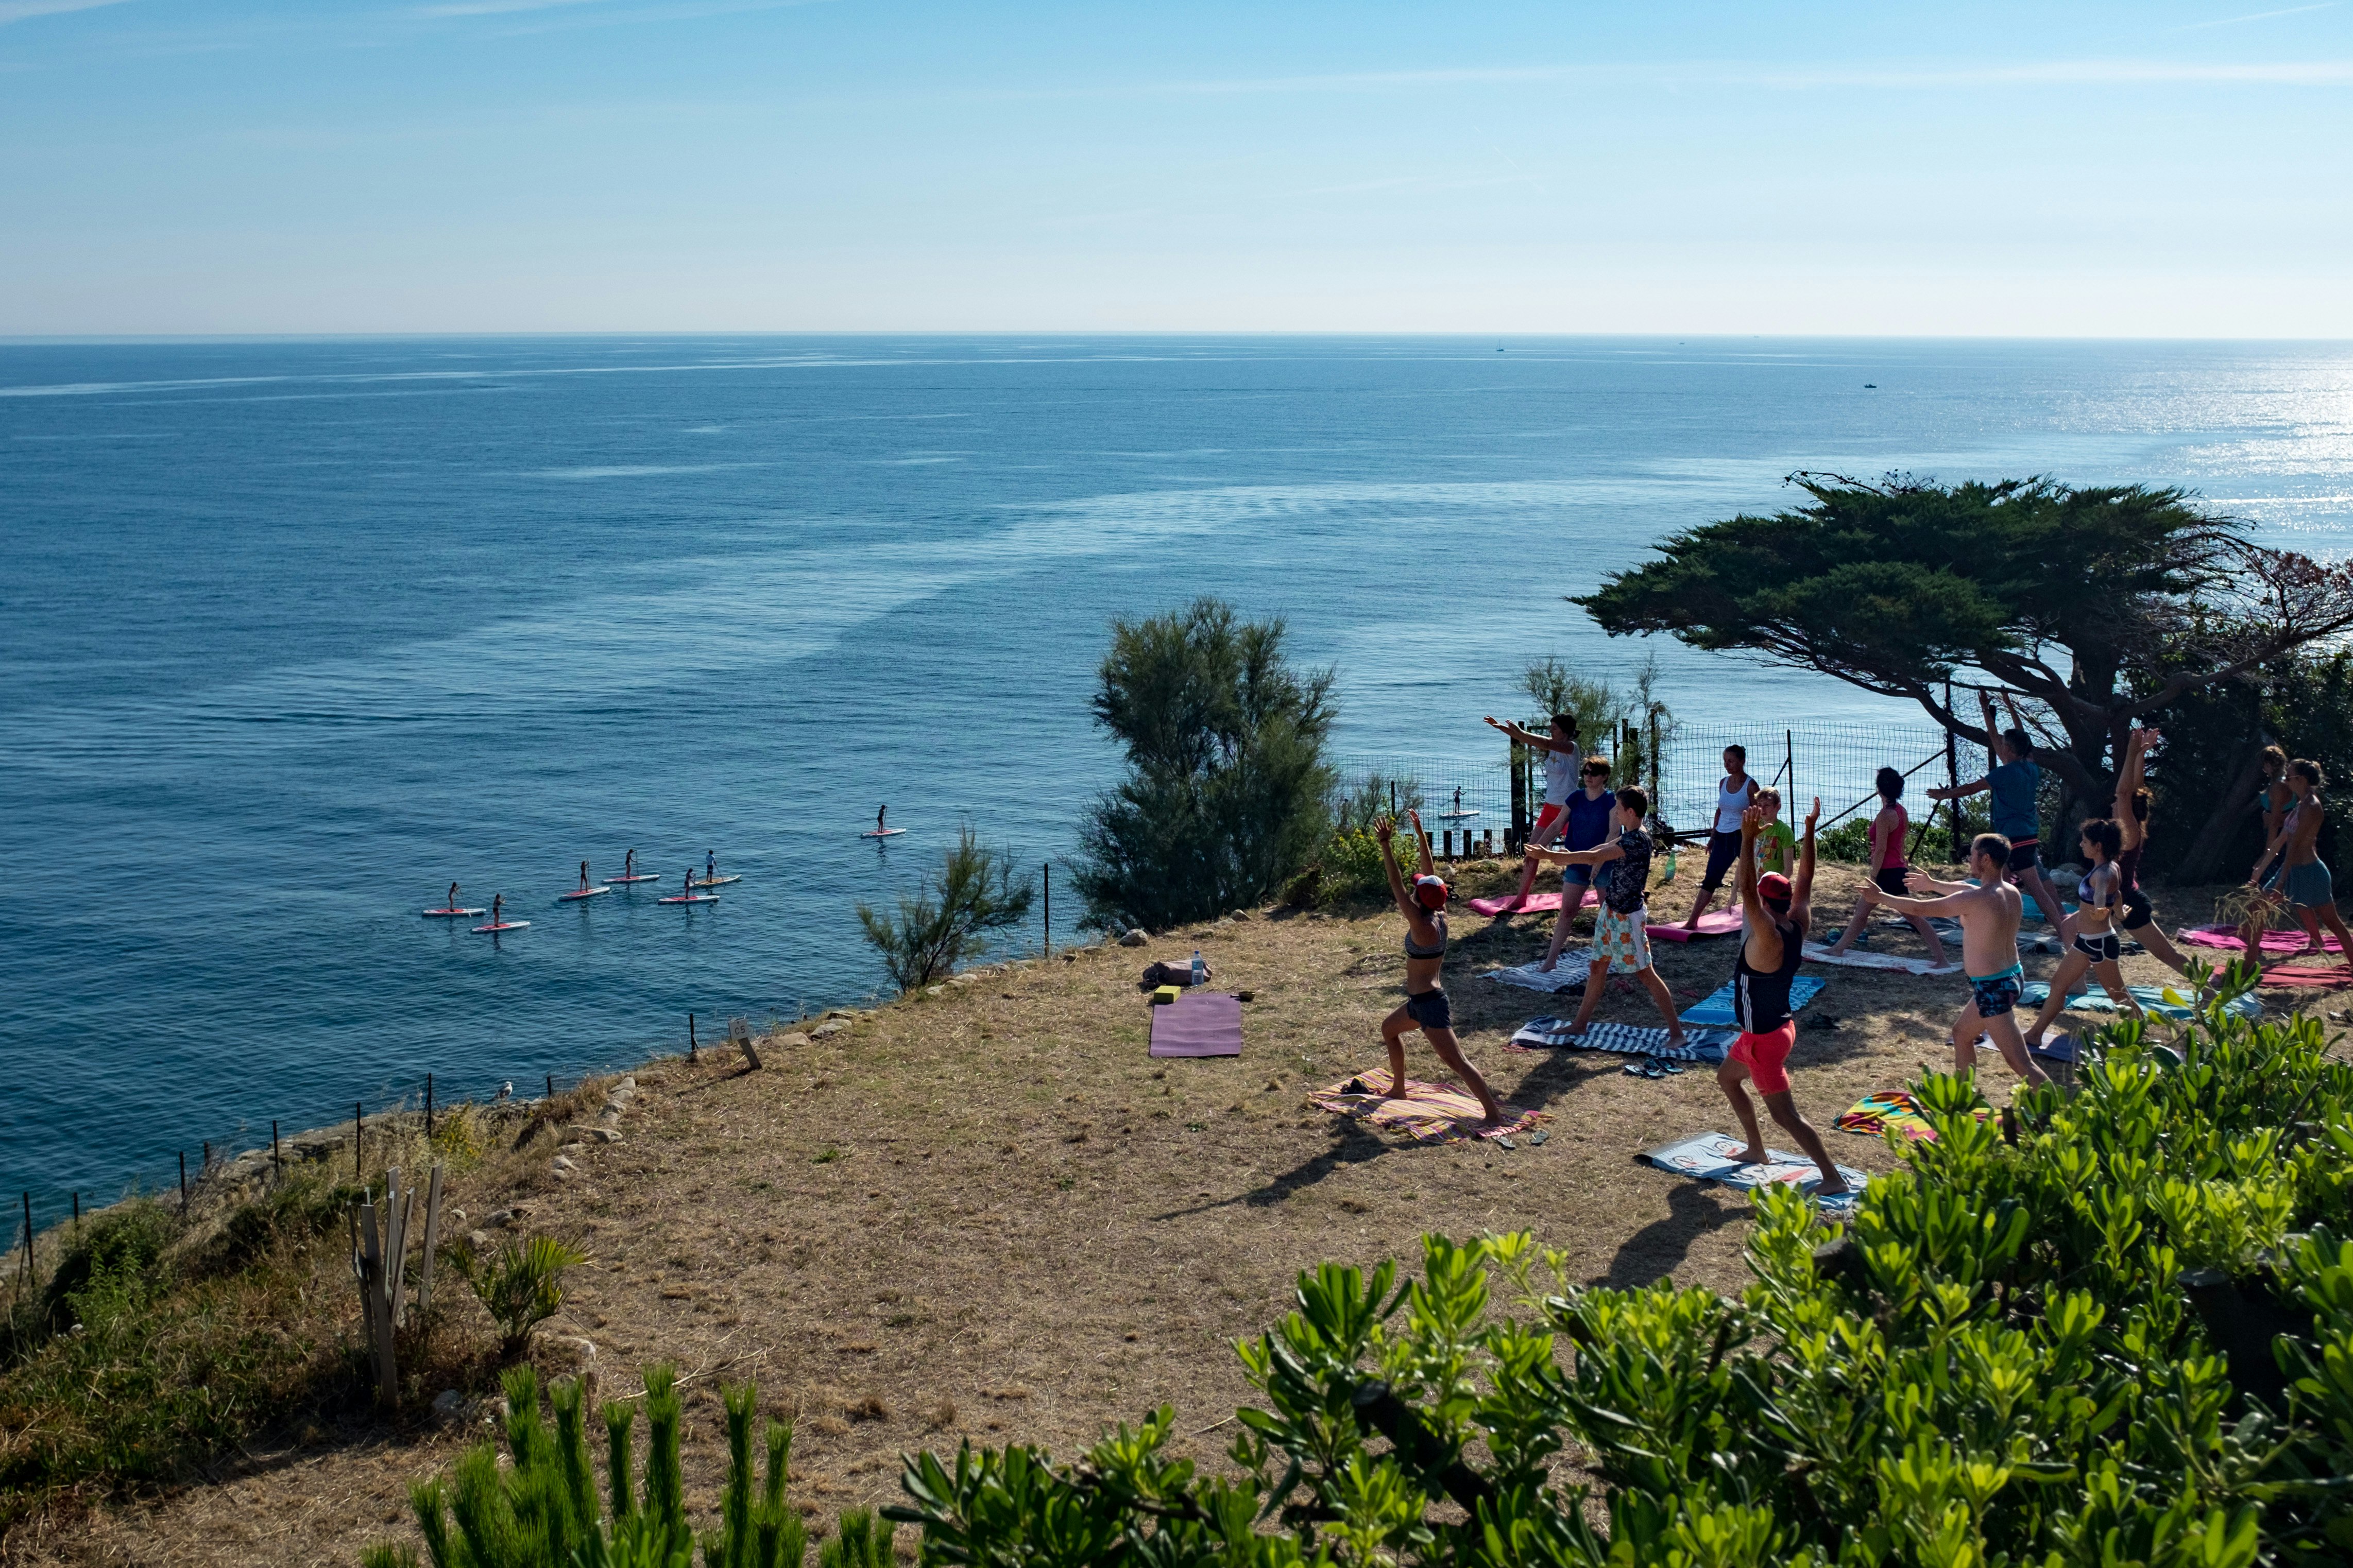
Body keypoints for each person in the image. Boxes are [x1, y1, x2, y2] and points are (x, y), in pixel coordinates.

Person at [1718, 798, 1847, 1195]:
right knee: (1727, 1079)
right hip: (1777, 1028)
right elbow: (1806, 877)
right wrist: (1809, 830)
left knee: (1786, 1116)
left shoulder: (1768, 934)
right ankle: (1756, 1149)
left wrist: (1747, 839)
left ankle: (1832, 1176)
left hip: (1765, 1042)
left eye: (1757, 898)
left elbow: (1746, 891)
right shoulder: (1798, 921)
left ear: (1764, 902)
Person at [1862, 835, 2050, 1089]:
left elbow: (1919, 909)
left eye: (1972, 854)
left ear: (1986, 859)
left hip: (1994, 988)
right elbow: (1966, 889)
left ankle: (2057, 1112)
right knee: (1962, 1034)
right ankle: (1964, 1096)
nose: (1968, 858)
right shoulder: (2010, 892)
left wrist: (1881, 897)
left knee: (2020, 1062)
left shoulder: (1976, 899)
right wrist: (1933, 883)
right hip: (2009, 977)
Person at [1526, 785, 1687, 1048]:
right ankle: (1579, 1025)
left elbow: (1594, 856)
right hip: (1611, 911)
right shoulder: (1632, 835)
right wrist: (1560, 857)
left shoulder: (1636, 840)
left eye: (1618, 808)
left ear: (1631, 812)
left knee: (1646, 974)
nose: (1615, 812)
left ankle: (1677, 1034)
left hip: (1627, 918)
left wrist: (1552, 855)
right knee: (1597, 967)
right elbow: (1602, 848)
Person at [1373, 810, 1504, 1121]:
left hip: (1430, 1005)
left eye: (1417, 888)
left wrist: (1386, 845)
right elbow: (1430, 877)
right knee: (1389, 1031)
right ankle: (1398, 1089)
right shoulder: (1440, 913)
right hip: (1418, 1002)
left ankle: (1494, 1114)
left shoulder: (1420, 924)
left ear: (1420, 898)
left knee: (1457, 1061)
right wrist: (1420, 833)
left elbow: (1396, 883)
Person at [1926, 690, 2070, 937]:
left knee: (2035, 890)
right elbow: (2010, 737)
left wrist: (1944, 795)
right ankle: (1993, 925)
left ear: (2011, 752)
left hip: (2014, 838)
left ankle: (2063, 930)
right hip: (2027, 833)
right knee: (1996, 884)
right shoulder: (2031, 767)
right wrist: (1999, 708)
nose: (2000, 747)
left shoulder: (2005, 774)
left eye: (2004, 746)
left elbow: (1973, 788)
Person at [2020, 817, 2144, 1049]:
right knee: (2058, 985)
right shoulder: (2107, 868)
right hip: (2086, 942)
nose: (2081, 845)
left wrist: (2102, 911)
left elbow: (2102, 895)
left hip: (2101, 944)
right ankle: (2035, 1034)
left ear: (2098, 846)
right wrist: (2118, 912)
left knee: (2119, 995)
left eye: (2085, 841)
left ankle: (2141, 1037)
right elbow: (2115, 896)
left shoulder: (2104, 873)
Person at [1823, 767, 1949, 967]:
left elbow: (1881, 850)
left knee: (1912, 916)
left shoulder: (1885, 816)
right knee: (1863, 913)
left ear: (1880, 789)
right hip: (1896, 870)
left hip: (1887, 873)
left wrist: (1873, 876)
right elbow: (1898, 843)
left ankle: (1942, 959)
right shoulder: (1900, 811)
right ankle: (1838, 948)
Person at [2246, 759, 2353, 974]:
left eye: (2289, 776)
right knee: (2257, 908)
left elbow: (2294, 848)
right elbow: (2281, 841)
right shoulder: (2300, 805)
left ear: (2301, 780)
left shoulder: (2312, 808)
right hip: (2292, 868)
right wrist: (2258, 872)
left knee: (2333, 922)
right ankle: (2248, 967)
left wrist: (2281, 882)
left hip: (2310, 872)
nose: (2285, 779)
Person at [2110, 727, 2193, 977]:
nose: (2113, 805)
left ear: (2127, 812)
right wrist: (2140, 754)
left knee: (2167, 955)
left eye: (2118, 805)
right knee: (2075, 935)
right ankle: (2075, 984)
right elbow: (2135, 789)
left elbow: (2124, 793)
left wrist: (2131, 751)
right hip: (2117, 901)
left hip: (2128, 903)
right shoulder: (2133, 825)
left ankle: (2211, 988)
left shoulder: (2130, 832)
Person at [1484, 713, 1581, 910]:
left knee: (1580, 854)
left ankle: (1592, 891)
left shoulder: (1571, 748)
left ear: (1565, 731)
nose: (1550, 731)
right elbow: (1538, 742)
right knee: (1531, 853)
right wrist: (1502, 728)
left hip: (1569, 809)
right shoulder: (1553, 749)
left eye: (1554, 728)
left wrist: (1519, 732)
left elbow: (1543, 743)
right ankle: (1521, 898)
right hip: (1550, 808)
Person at [1533, 756, 1616, 972]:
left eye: (1594, 773)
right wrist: (1540, 848)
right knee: (1567, 911)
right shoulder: (1576, 798)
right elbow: (1557, 824)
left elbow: (1613, 833)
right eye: (1586, 772)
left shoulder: (1611, 800)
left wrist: (1599, 860)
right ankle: (1551, 960)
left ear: (1605, 776)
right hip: (1576, 861)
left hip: (1604, 863)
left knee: (1608, 913)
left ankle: (1616, 957)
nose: (1588, 777)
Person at [1683, 745, 1759, 930]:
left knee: (1753, 879)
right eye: (1725, 761)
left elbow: (1759, 814)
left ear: (1742, 762)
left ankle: (1763, 919)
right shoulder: (1723, 782)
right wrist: (1713, 836)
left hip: (1742, 837)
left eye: (1731, 761)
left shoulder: (1751, 786)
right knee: (1710, 879)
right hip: (1722, 837)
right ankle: (1692, 921)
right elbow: (1720, 810)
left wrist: (1754, 840)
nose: (1727, 765)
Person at [1752, 788, 1798, 880]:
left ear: (1778, 807)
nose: (1762, 809)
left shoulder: (1784, 831)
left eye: (1767, 805)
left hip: (1773, 883)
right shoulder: (1754, 826)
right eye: (1760, 805)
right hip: (1754, 881)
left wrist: (1779, 887)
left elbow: (1789, 869)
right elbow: (1745, 860)